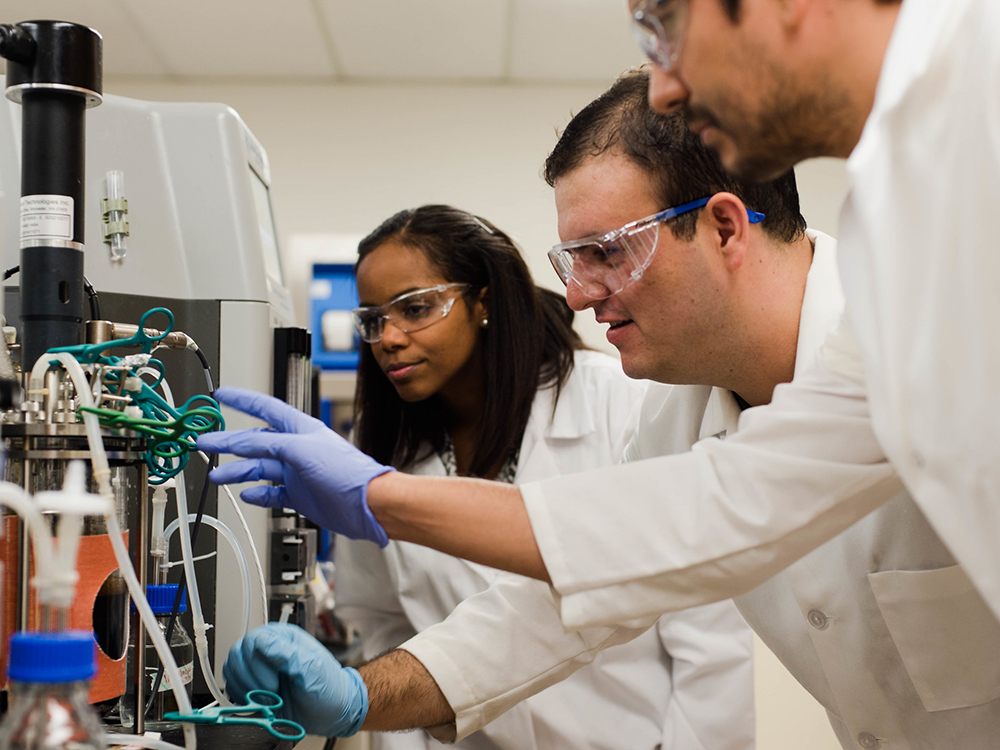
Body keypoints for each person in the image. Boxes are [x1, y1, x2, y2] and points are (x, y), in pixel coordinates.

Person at [204, 0, 1000, 736]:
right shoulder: (712, 398)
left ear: (725, 230)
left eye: (607, 254)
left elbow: (702, 544)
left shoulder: (937, 213)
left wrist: (381, 497)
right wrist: (359, 698)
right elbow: (584, 591)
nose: (577, 297)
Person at [332, 203, 754, 750]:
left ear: (483, 301)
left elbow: (707, 631)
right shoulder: (378, 444)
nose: (388, 337)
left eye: (414, 309)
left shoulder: (617, 404)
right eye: (373, 319)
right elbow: (381, 621)